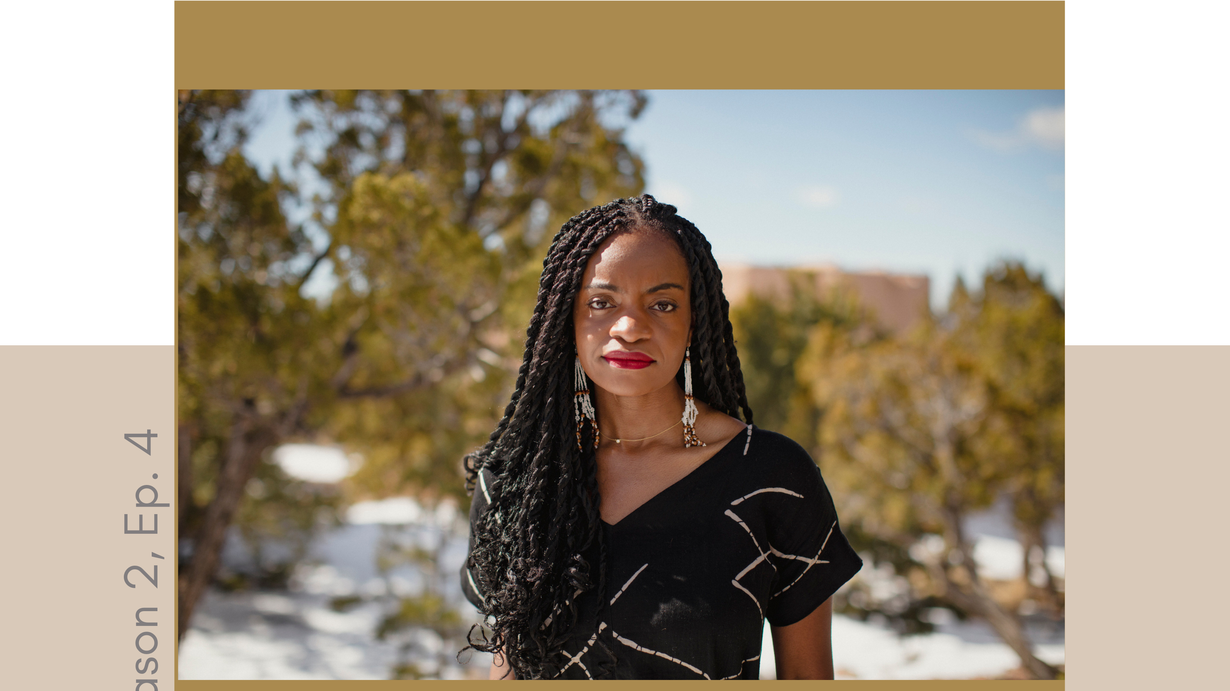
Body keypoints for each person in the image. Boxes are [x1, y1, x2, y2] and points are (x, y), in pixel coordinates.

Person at [460, 194, 862, 679]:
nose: (630, 328)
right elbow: (508, 670)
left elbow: (807, 677)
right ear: (567, 319)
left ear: (694, 322)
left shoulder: (772, 478)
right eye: (602, 302)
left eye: (663, 304)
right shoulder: (515, 483)